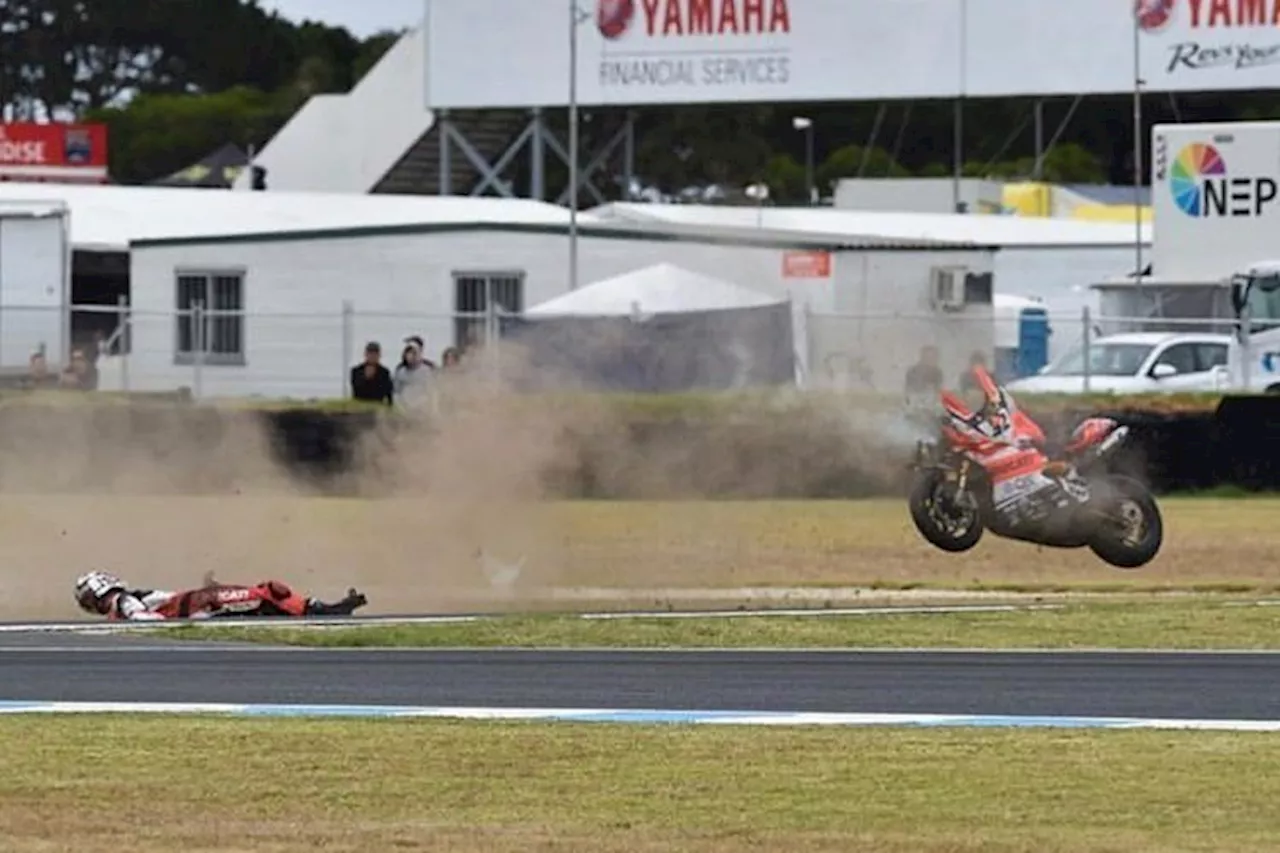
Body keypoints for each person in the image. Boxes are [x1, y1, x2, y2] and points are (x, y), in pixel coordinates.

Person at [73, 570, 367, 622]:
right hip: (201, 607)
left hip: (201, 605)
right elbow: (146, 620)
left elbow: (147, 618)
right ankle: (321, 612)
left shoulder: (122, 604)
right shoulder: (123, 604)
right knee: (265, 594)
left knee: (265, 596)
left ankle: (321, 612)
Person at [393, 338, 434, 411]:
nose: (410, 356)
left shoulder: (426, 370)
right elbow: (396, 392)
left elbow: (430, 391)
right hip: (404, 409)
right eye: (408, 353)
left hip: (422, 409)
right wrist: (401, 407)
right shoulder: (400, 371)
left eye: (413, 353)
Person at [350, 341, 393, 405]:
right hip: (360, 407)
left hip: (378, 406)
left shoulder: (384, 372)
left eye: (375, 354)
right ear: (365, 354)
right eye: (370, 353)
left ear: (379, 355)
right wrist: (366, 378)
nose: (373, 356)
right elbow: (356, 390)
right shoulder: (356, 371)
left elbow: (387, 391)